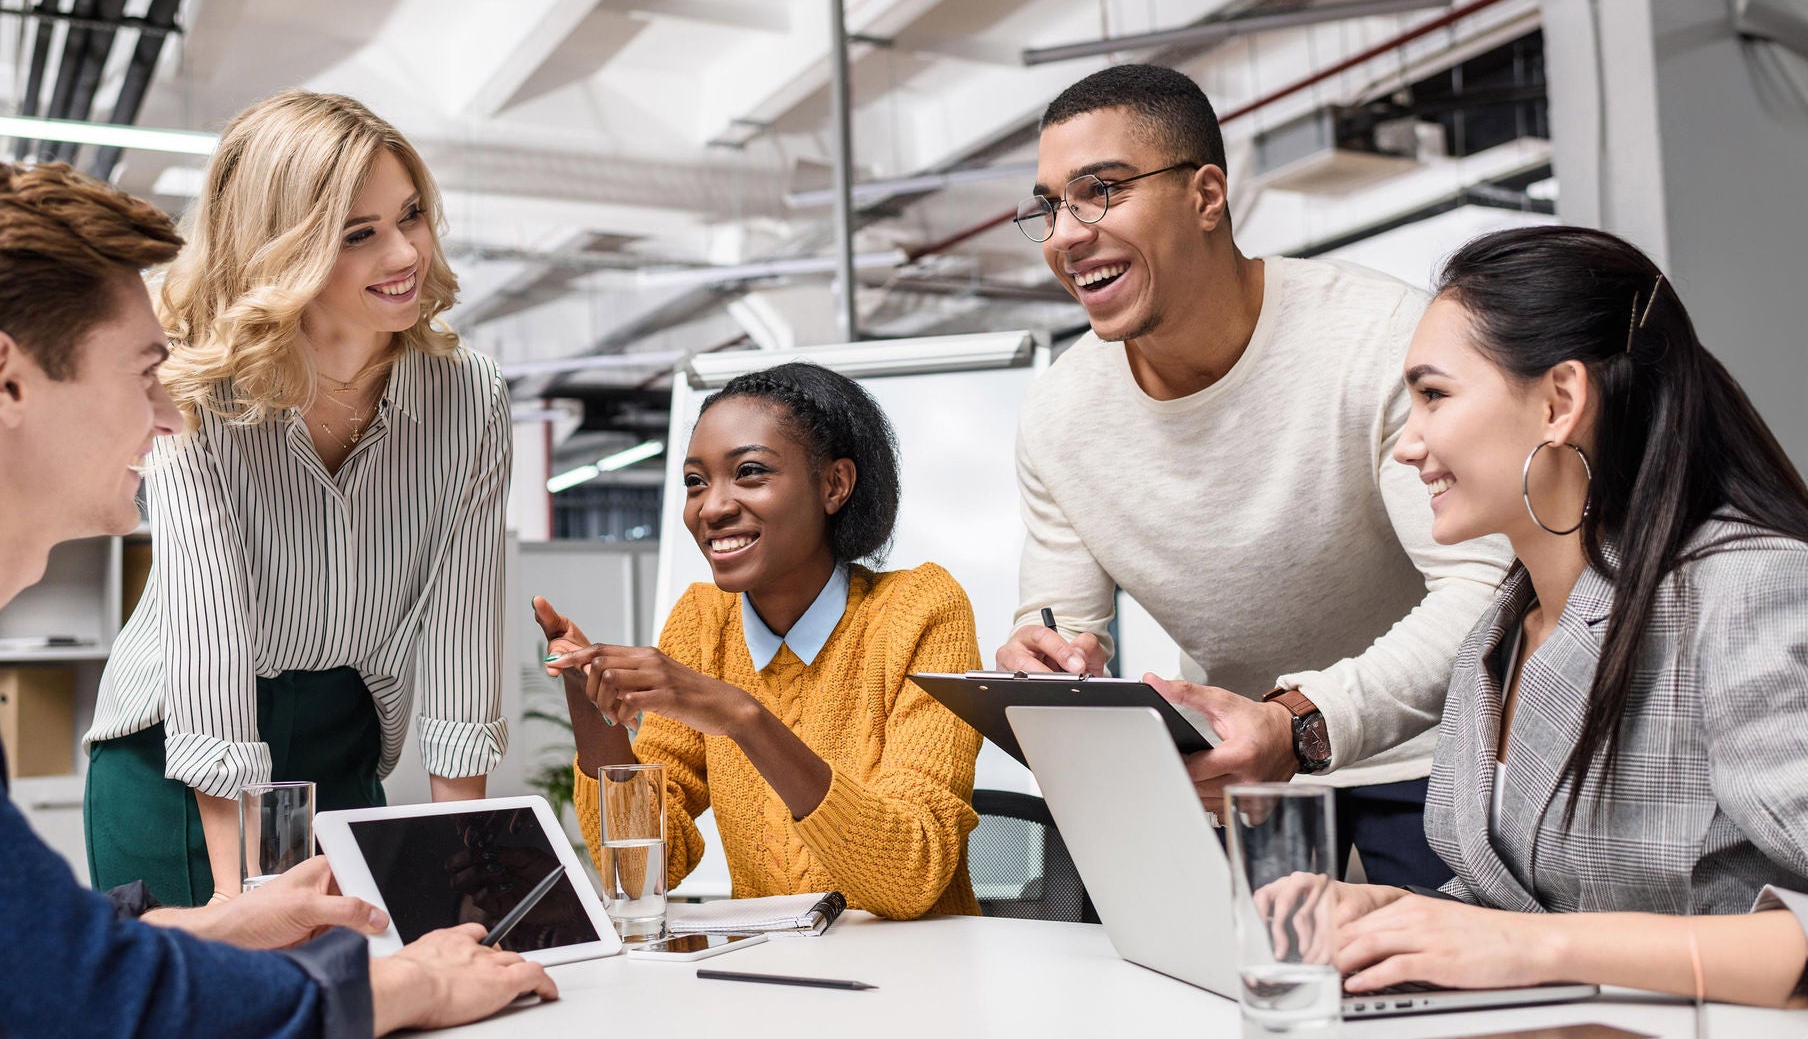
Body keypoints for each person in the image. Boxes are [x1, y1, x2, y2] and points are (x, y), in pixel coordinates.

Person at [0, 150, 554, 1037]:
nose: (173, 414)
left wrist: (219, 924)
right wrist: (408, 988)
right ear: (3, 379)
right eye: (145, 371)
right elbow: (60, 1000)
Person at [996, 64, 1510, 888]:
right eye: (1050, 205)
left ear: (1206, 196)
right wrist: (1045, 659)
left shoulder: (1379, 334)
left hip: (1436, 751)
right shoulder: (1059, 410)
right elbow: (1061, 622)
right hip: (1238, 769)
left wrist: (1300, 719)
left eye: (1101, 190)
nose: (1064, 232)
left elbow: (1481, 586)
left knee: (1441, 1006)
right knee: (1222, 1002)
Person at [1323, 224, 1808, 1007]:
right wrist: (1401, 915)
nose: (1408, 444)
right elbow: (1529, 903)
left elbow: (1538, 935)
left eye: (1434, 395)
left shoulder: (1744, 588)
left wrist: (1530, 947)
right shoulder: (1498, 635)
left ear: (1560, 401)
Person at [86, 90, 512, 906]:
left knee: (383, 990)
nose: (405, 253)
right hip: (180, 759)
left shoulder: (470, 396)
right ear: (283, 249)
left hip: (346, 734)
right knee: (226, 999)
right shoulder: (197, 395)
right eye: (359, 234)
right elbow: (210, 649)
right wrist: (245, 905)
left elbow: (463, 636)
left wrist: (477, 881)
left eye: (411, 215)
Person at [533, 362, 983, 919]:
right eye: (696, 482)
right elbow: (642, 868)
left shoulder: (922, 611)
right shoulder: (703, 620)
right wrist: (589, 698)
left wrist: (744, 717)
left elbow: (908, 878)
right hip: (773, 975)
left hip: (921, 983)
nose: (713, 507)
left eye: (748, 472)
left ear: (834, 485)